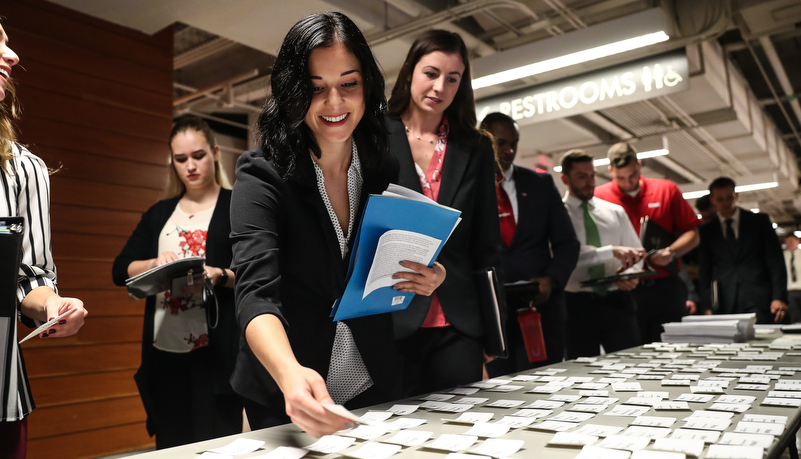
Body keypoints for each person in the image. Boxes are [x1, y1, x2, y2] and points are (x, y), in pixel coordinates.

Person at [229, 12, 444, 438]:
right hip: (289, 384)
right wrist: (290, 375)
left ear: (367, 86)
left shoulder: (382, 163)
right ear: (292, 93)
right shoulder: (261, 175)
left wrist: (429, 273)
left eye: (349, 84)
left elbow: (388, 254)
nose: (334, 103)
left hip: (372, 377)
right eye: (315, 89)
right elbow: (255, 295)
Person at [111, 116, 242, 449]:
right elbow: (120, 268)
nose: (190, 166)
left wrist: (220, 275)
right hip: (165, 349)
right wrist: (154, 263)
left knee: (217, 445)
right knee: (171, 446)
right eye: (181, 160)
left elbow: (260, 274)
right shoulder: (160, 213)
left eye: (198, 156)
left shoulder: (236, 205)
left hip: (216, 351)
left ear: (214, 152)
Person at [386, 30, 505, 396]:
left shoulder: (476, 147)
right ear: (410, 72)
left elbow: (487, 243)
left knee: (458, 435)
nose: (440, 86)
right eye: (431, 73)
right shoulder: (373, 138)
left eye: (452, 79)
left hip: (460, 321)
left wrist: (493, 329)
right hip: (389, 318)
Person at [0, 22, 87, 458]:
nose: (12, 56)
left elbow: (27, 282)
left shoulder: (24, 169)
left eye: (8, 42)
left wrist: (51, 305)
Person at [480, 113, 579, 375]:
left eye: (514, 143)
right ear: (482, 138)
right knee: (500, 397)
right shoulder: (468, 187)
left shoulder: (540, 184)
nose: (509, 151)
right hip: (493, 314)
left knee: (548, 389)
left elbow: (568, 243)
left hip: (541, 309)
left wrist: (552, 279)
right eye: (500, 143)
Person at [594, 142, 701, 343]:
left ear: (639, 165)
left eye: (632, 174)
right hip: (623, 290)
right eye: (620, 178)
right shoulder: (599, 197)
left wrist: (671, 252)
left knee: (672, 351)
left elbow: (693, 235)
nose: (628, 182)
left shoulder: (666, 189)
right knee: (629, 353)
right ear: (610, 171)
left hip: (665, 287)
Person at [559, 150, 644, 357]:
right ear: (565, 179)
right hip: (576, 304)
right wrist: (610, 252)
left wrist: (629, 274)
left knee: (630, 364)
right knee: (581, 371)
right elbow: (565, 257)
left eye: (592, 175)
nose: (589, 182)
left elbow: (636, 253)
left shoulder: (614, 212)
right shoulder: (558, 215)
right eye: (582, 176)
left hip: (617, 300)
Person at [698, 177, 788, 323]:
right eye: (720, 199)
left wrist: (778, 296)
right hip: (726, 300)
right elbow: (705, 271)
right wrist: (706, 305)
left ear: (736, 196)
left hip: (760, 297)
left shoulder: (759, 222)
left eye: (729, 197)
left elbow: (776, 262)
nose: (726, 203)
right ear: (712, 200)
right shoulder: (707, 231)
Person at [784, 234, 801, 323]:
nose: (789, 243)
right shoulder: (783, 256)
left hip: (800, 288)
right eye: (787, 241)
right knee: (794, 317)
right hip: (789, 290)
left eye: (791, 241)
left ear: (798, 241)